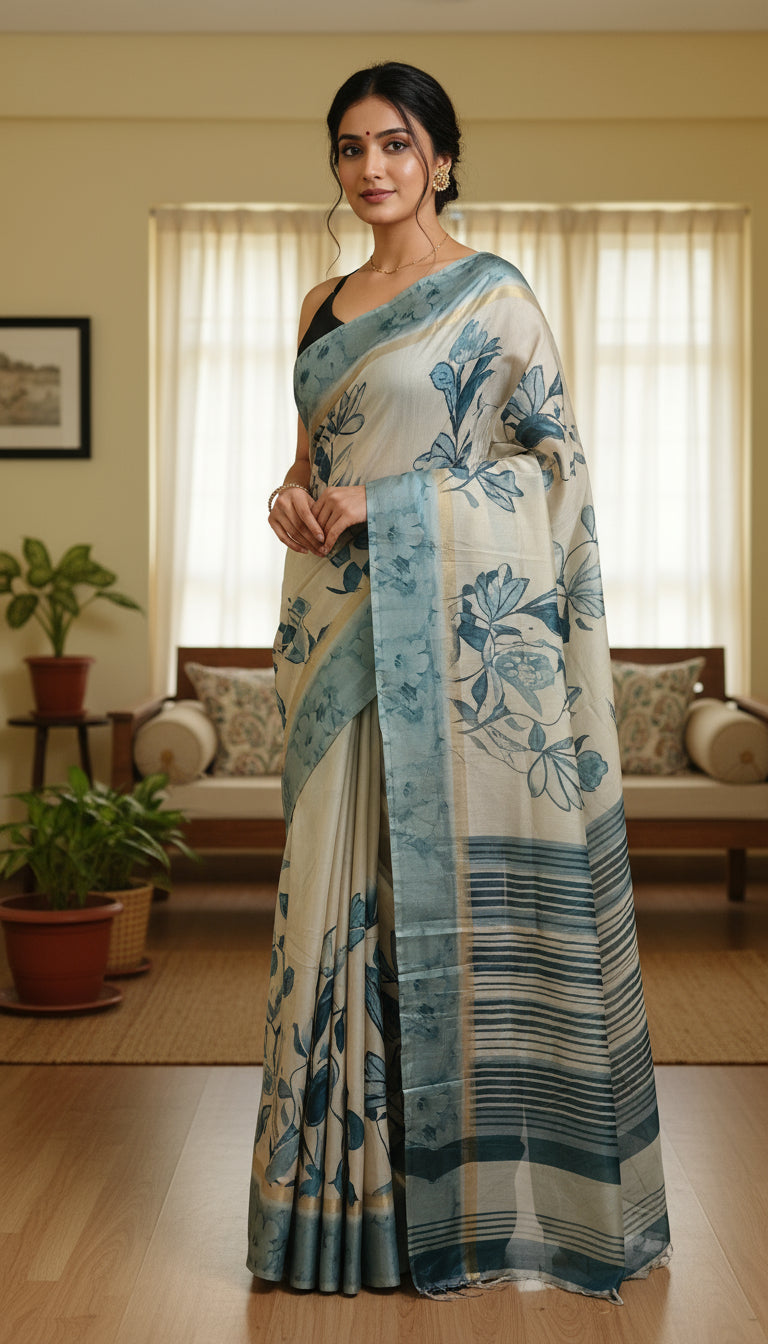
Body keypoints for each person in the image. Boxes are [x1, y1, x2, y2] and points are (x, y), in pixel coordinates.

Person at [247, 60, 671, 1301]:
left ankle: (466, 1212)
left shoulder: (495, 300)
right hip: (334, 631)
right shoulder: (324, 299)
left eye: (393, 144)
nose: (368, 169)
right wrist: (292, 495)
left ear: (440, 155)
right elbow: (313, 457)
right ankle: (339, 1212)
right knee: (330, 902)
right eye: (347, 149)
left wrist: (388, 499)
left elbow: (551, 479)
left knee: (448, 910)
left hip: (456, 646)